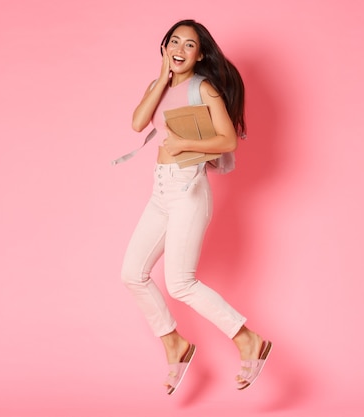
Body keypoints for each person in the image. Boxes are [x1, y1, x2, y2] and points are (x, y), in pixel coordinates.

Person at [120, 19, 272, 395]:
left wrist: (186, 147)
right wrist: (159, 77)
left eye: (190, 45)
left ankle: (248, 339)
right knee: (132, 273)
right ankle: (175, 343)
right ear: (164, 47)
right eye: (175, 42)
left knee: (180, 282)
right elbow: (138, 123)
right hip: (160, 192)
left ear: (200, 54)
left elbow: (227, 141)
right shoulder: (158, 86)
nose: (180, 49)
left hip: (189, 190)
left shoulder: (203, 88)